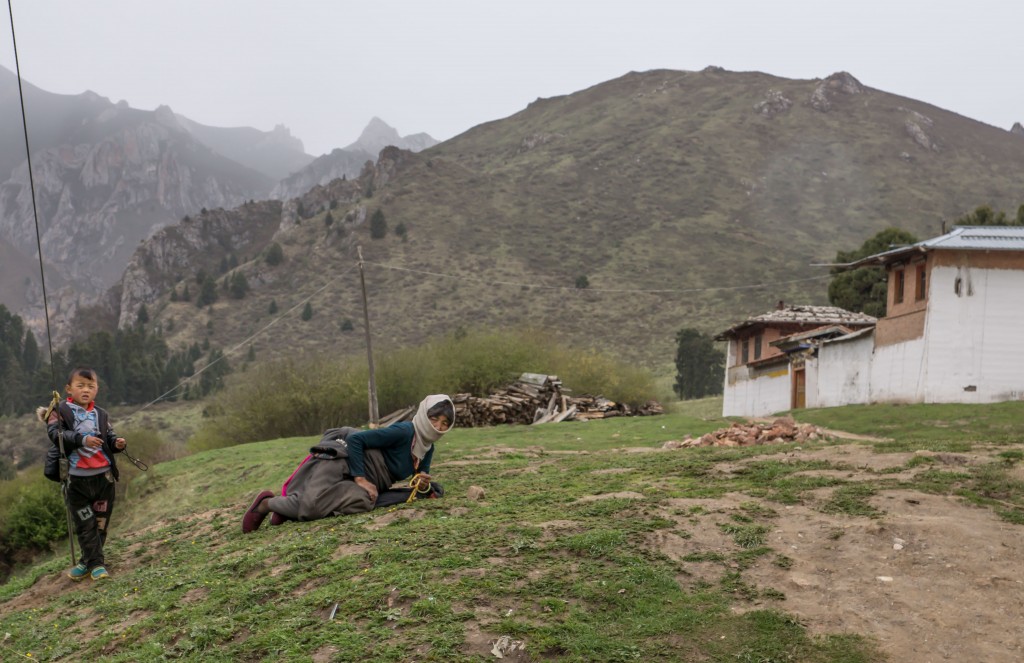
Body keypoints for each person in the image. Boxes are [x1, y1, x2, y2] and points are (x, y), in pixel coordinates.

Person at [242, 394, 454, 533]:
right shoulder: (405, 431)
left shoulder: (427, 448)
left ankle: (288, 510)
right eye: (434, 419)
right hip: (347, 462)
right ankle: (266, 504)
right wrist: (360, 478)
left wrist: (424, 485)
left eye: (444, 423)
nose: (438, 426)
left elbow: (420, 480)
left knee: (361, 503)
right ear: (425, 414)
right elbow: (356, 441)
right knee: (312, 506)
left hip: (373, 483)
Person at [43, 368, 126, 581]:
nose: (86, 390)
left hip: (104, 479)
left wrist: (116, 444)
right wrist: (82, 440)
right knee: (84, 523)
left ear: (97, 389)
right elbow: (55, 434)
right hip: (76, 480)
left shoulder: (101, 414)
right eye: (80, 386)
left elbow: (109, 437)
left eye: (91, 386)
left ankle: (86, 561)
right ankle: (97, 564)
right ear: (69, 389)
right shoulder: (59, 411)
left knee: (100, 522)